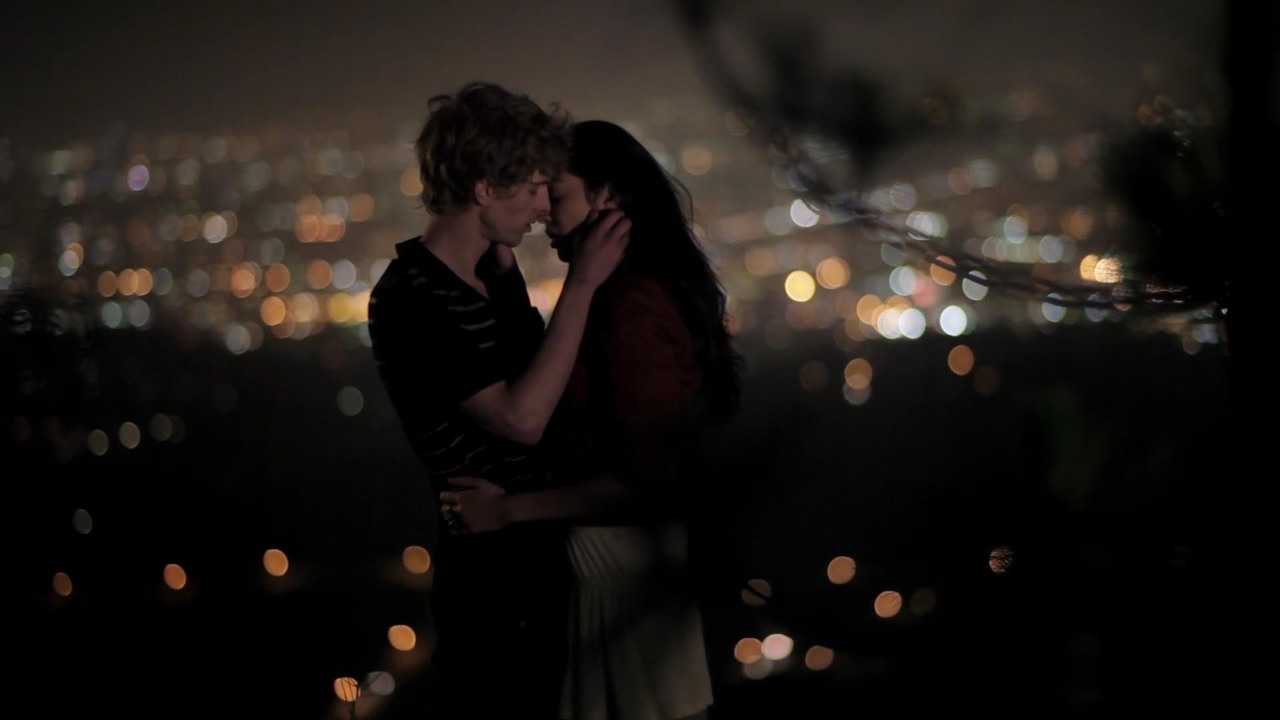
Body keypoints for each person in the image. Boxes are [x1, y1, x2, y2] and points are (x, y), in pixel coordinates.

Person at [442, 119, 744, 720]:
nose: (546, 218)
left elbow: (646, 479)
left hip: (625, 588)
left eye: (557, 196)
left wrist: (508, 510)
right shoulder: (615, 293)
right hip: (617, 582)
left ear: (608, 196)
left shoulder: (634, 302)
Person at [367, 84, 630, 720]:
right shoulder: (411, 297)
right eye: (533, 187)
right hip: (491, 585)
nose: (543, 206)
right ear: (485, 187)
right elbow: (523, 418)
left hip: (544, 565)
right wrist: (582, 284)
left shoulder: (494, 273)